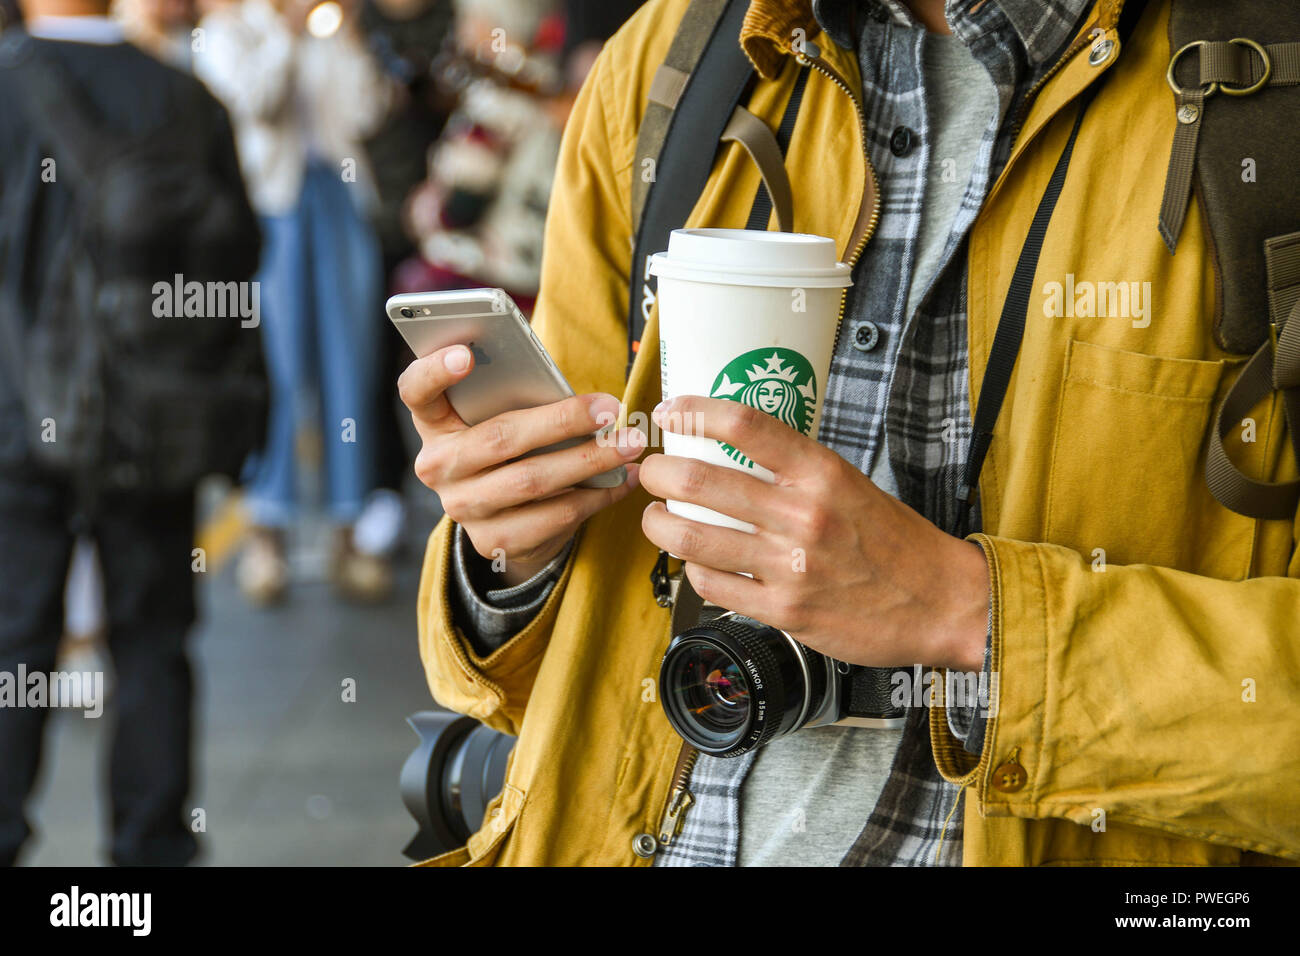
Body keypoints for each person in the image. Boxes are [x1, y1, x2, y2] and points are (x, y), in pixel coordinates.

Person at [401, 0, 1300, 866]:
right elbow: (574, 659)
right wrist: (510, 553)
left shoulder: (1268, 95)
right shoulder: (672, 61)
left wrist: (969, 613)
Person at [0, 0, 260, 866]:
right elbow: (239, 268)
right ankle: (150, 855)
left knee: (14, 641)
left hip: (15, 426)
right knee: (152, 640)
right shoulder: (188, 100)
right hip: (157, 428)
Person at [195, 0, 395, 605]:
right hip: (271, 210)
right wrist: (285, 35)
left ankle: (347, 532)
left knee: (350, 371)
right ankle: (267, 536)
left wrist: (353, 40)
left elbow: (369, 111)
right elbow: (252, 104)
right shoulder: (226, 31)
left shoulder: (329, 26)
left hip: (339, 201)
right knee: (275, 370)